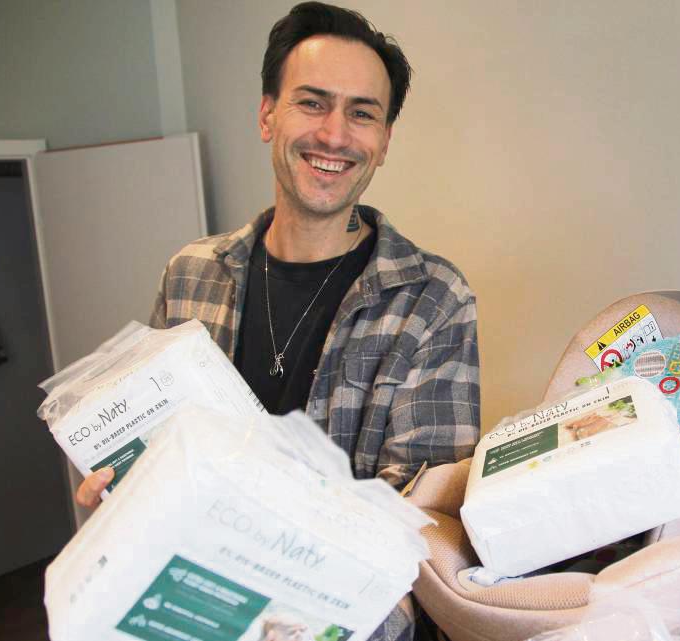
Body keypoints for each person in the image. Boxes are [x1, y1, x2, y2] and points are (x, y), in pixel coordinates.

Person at [75, 3, 480, 639]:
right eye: (312, 103)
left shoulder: (433, 300)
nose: (335, 134)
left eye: (362, 112)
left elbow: (422, 526)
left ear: (385, 140)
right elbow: (160, 461)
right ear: (268, 114)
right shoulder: (189, 276)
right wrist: (122, 495)